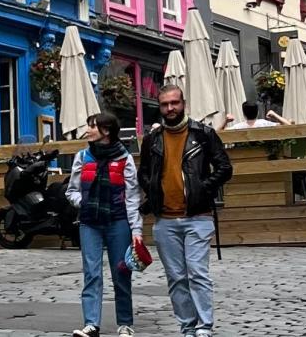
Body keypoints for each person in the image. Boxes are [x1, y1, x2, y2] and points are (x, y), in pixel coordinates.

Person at [138, 85, 233, 337]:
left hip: (197, 217)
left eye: (174, 103)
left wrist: (203, 188)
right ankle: (187, 326)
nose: (170, 109)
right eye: (164, 104)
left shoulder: (203, 134)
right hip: (165, 220)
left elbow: (225, 168)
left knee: (197, 273)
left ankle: (204, 325)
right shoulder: (152, 139)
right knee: (176, 278)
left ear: (184, 103)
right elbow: (143, 172)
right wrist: (153, 190)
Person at [66, 112, 143, 337]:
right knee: (92, 274)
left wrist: (136, 230)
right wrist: (85, 203)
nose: (87, 130)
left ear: (105, 131)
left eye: (91, 126)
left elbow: (132, 197)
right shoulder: (82, 157)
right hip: (89, 223)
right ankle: (91, 324)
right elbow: (72, 191)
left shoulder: (124, 159)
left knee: (121, 273)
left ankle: (125, 324)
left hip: (117, 221)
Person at [226, 101, 292, 130]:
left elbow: (219, 132)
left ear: (243, 114)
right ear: (258, 112)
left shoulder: (238, 126)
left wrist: (226, 121)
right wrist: (274, 115)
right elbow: (289, 126)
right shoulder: (264, 123)